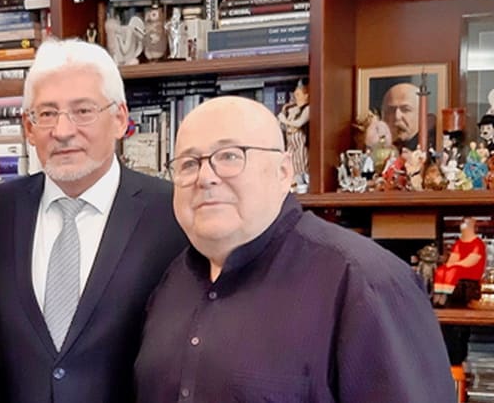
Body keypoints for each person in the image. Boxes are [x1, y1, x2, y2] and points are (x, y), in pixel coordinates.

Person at [134, 96, 455, 402]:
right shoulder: (170, 282)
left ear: (284, 171)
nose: (205, 177)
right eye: (189, 164)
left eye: (230, 156)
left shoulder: (366, 282)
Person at [0, 38, 187, 403]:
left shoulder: (174, 214)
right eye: (46, 113)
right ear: (28, 127)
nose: (63, 130)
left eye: (83, 111)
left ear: (120, 119)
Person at [433, 217, 487, 307]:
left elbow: (471, 260)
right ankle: (438, 295)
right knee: (441, 270)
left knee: (453, 271)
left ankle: (446, 296)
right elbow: (455, 256)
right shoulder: (459, 243)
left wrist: (455, 265)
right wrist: (450, 264)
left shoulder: (478, 243)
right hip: (458, 266)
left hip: (471, 270)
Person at [277, 77, 309, 191]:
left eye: (299, 93)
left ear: (306, 96)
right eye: (295, 93)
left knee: (301, 166)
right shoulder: (291, 109)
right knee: (289, 164)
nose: (296, 95)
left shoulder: (308, 109)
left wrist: (284, 120)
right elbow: (282, 125)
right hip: (290, 144)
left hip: (301, 144)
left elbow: (298, 123)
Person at [382, 82, 433, 151]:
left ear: (421, 114)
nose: (397, 116)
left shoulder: (433, 146)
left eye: (405, 109)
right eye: (391, 110)